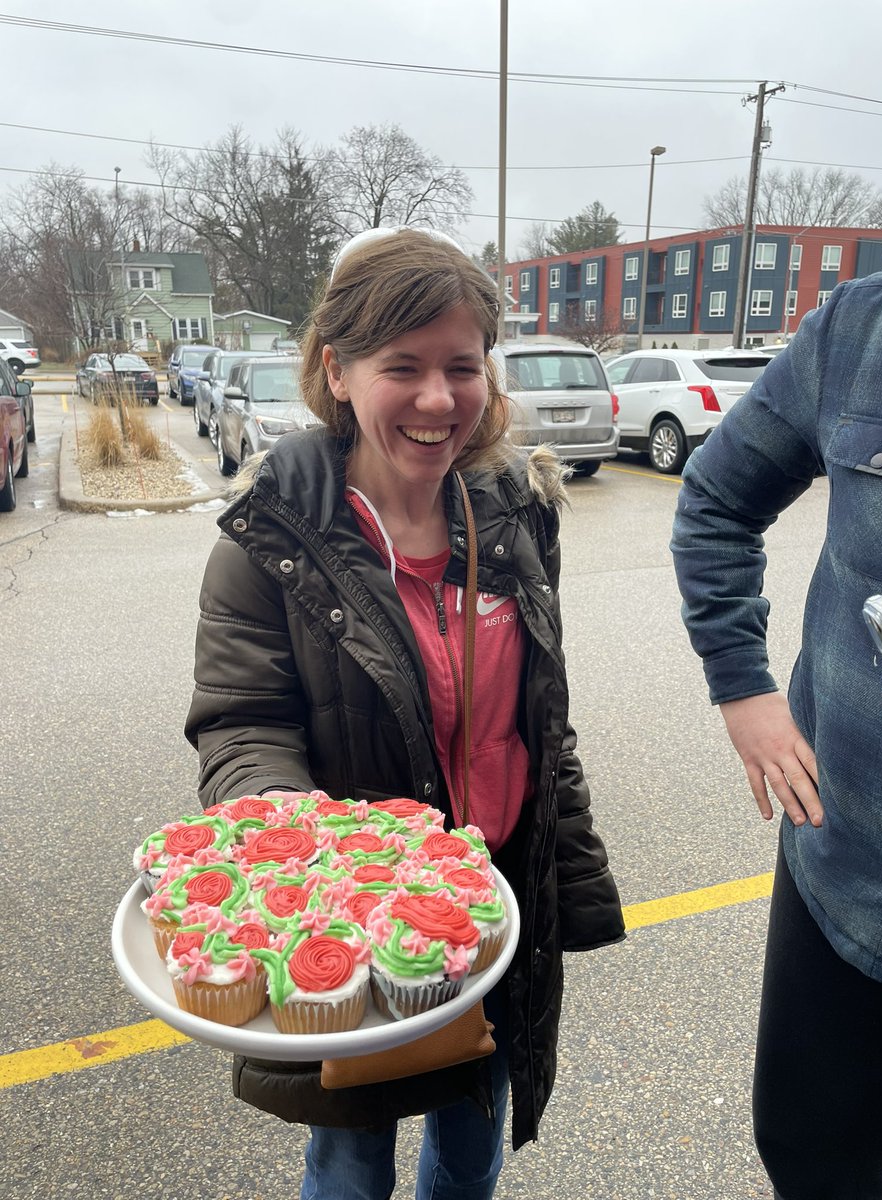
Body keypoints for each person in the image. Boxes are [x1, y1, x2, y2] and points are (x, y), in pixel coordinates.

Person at [185, 226, 624, 1200]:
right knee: (349, 1161)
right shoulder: (272, 543)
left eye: (462, 367)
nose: (439, 399)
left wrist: (574, 883)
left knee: (472, 1150)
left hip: (495, 901)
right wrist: (299, 850)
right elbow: (242, 724)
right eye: (405, 367)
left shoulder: (514, 513)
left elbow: (542, 721)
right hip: (349, 917)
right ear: (337, 371)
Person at [671, 271, 882, 1199]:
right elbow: (717, 501)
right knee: (812, 1157)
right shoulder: (862, 329)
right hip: (844, 870)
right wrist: (745, 692)